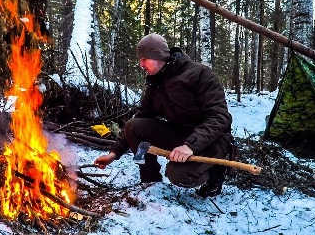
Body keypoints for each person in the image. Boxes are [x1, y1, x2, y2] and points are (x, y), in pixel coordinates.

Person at [94, 33, 234, 197]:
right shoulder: (156, 82)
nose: (141, 64)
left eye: (144, 59)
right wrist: (114, 153)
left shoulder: (201, 74)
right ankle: (150, 179)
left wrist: (190, 146)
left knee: (179, 175)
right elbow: (140, 118)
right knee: (134, 126)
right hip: (180, 135)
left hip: (211, 141)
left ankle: (215, 174)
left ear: (157, 56)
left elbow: (220, 117)